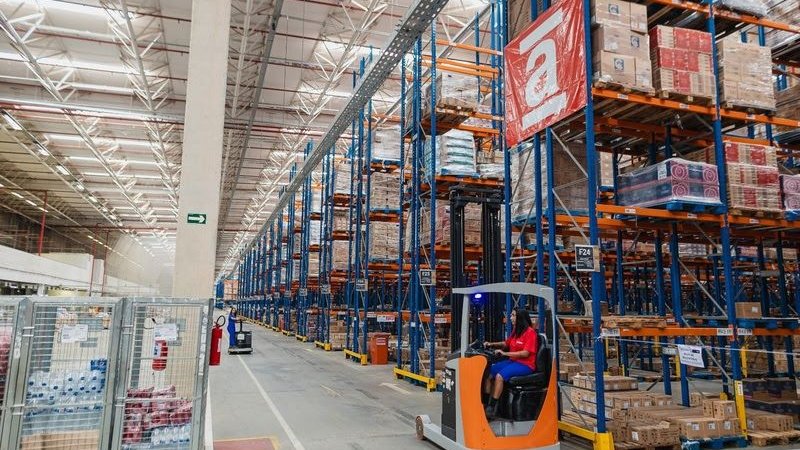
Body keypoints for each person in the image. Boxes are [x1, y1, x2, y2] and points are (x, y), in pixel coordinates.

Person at [482, 308, 539, 419]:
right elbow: (505, 344)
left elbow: (525, 353)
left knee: (499, 376)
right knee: (488, 373)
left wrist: (505, 353)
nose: (510, 318)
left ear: (520, 318)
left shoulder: (530, 333)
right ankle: (484, 403)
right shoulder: (516, 331)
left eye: (513, 315)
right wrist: (491, 344)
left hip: (526, 365)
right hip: (513, 361)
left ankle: (491, 408)